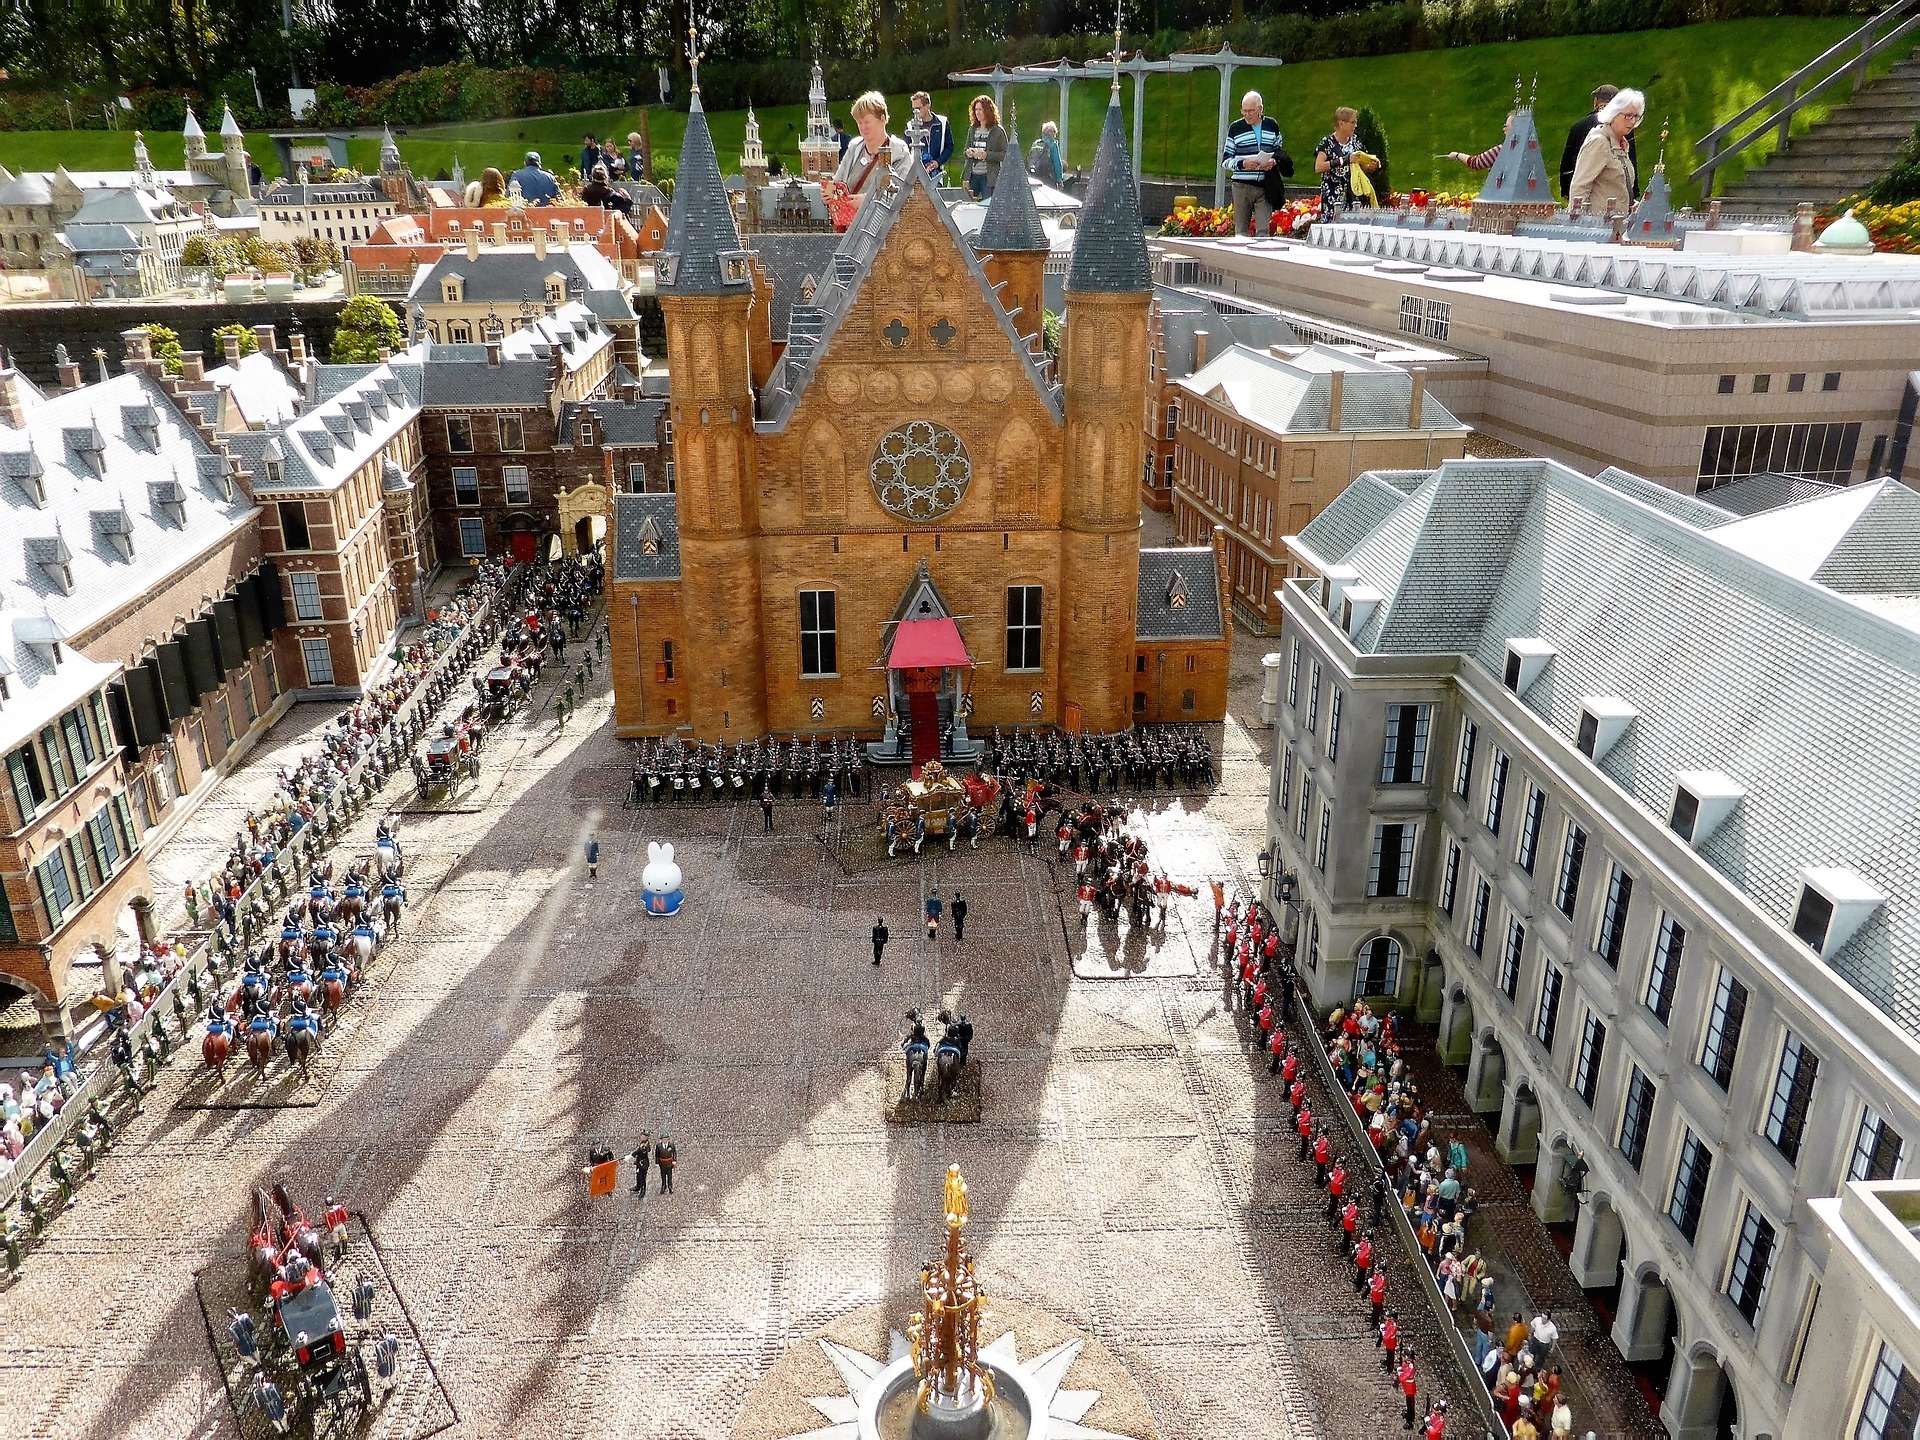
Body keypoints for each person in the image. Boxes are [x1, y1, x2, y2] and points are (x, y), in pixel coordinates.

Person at [833, 92, 910, 215]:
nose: (863, 127)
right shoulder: (854, 148)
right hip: (850, 226)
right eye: (859, 123)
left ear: (883, 119)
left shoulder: (899, 152)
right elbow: (838, 183)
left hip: (881, 228)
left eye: (867, 122)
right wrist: (829, 194)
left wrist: (868, 200)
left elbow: (905, 195)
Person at [1569, 88, 1643, 214]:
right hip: (1598, 226)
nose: (1632, 121)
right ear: (1614, 114)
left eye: (1636, 116)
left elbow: (1616, 186)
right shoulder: (1599, 141)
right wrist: (1579, 224)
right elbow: (1579, 188)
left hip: (1618, 224)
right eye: (1627, 116)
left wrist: (1632, 204)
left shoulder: (1622, 143)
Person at [1223, 90, 1283, 236]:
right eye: (1244, 111)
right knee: (1241, 230)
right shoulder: (1235, 128)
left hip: (1265, 185)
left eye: (1251, 111)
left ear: (1260, 109)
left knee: (1263, 229)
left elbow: (1279, 151)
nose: (1247, 115)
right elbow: (1225, 160)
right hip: (1242, 186)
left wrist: (1273, 161)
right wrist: (1242, 164)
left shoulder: (1272, 125)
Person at [1314, 106, 1377, 212]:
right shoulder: (1327, 142)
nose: (1355, 126)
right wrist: (1344, 160)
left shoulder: (1355, 141)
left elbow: (1360, 167)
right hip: (1333, 198)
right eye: (1352, 123)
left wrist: (1370, 167)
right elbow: (1318, 167)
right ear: (1341, 123)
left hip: (1353, 197)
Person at [963, 95, 1007, 199]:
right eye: (976, 109)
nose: (977, 112)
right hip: (972, 175)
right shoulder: (972, 129)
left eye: (980, 109)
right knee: (968, 204)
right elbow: (965, 150)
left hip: (989, 177)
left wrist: (987, 155)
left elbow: (1005, 154)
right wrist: (968, 152)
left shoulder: (998, 131)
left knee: (988, 205)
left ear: (987, 110)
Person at [1443, 111, 1515, 172]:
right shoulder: (1525, 149)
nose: (1503, 129)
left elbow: (1476, 163)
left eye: (1506, 126)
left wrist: (1457, 155)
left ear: (1515, 128)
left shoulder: (1501, 150)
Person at [911, 91, 953, 178]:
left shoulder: (943, 123)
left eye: (918, 109)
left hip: (936, 173)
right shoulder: (910, 126)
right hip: (917, 175)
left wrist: (938, 162)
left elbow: (949, 147)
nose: (916, 112)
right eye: (914, 109)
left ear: (928, 106)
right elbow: (906, 151)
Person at [1028, 120, 1064, 185]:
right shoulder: (1053, 144)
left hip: (1035, 177)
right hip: (1049, 178)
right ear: (1054, 133)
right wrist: (1059, 180)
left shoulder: (1035, 144)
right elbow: (1057, 163)